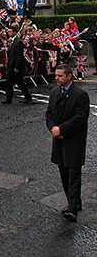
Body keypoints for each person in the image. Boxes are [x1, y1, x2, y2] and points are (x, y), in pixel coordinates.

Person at [46, 65, 89, 222]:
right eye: (56, 75)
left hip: (73, 140)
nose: (56, 78)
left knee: (73, 174)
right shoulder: (54, 92)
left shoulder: (80, 95)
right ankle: (73, 202)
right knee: (64, 173)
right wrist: (53, 129)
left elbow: (80, 118)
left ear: (69, 76)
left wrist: (62, 130)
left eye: (60, 76)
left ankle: (73, 207)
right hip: (58, 139)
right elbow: (49, 113)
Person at [2, 25, 33, 104]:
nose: (9, 33)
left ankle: (28, 98)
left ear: (15, 32)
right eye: (8, 32)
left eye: (10, 32)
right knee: (9, 82)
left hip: (16, 65)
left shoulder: (18, 42)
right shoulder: (12, 41)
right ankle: (9, 98)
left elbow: (19, 56)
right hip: (11, 64)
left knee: (20, 82)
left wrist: (17, 67)